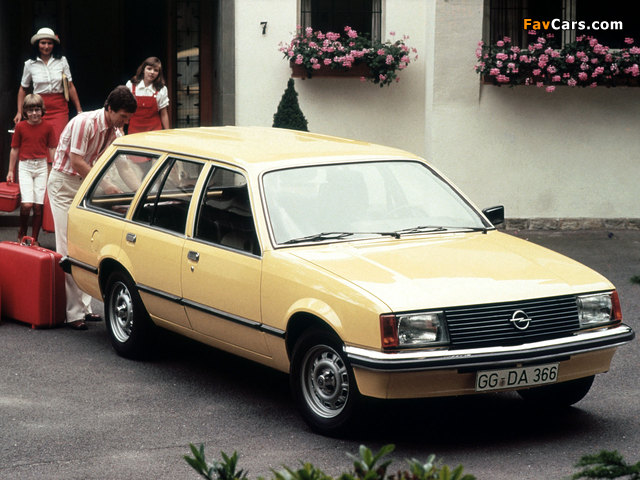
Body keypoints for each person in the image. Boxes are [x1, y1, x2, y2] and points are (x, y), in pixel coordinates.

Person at [47, 85, 137, 330]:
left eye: (128, 118)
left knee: (88, 245)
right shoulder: (84, 123)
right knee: (67, 246)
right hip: (64, 184)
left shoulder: (114, 131)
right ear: (109, 108)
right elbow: (77, 161)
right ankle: (73, 313)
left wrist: (139, 191)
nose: (125, 122)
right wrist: (105, 185)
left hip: (86, 184)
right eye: (122, 116)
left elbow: (123, 166)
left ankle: (85, 308)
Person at [14, 27, 82, 158]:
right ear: (37, 44)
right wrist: (19, 111)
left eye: (49, 43)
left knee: (59, 142)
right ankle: (44, 170)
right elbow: (23, 89)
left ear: (54, 45)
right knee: (41, 141)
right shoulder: (29, 64)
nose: (46, 46)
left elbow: (70, 86)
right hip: (38, 107)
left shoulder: (62, 61)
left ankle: (56, 170)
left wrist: (79, 110)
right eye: (43, 43)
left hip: (59, 107)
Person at [6, 94, 57, 244]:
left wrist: (54, 168)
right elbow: (14, 149)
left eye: (37, 109)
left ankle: (34, 239)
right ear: (25, 112)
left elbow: (52, 148)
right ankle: (22, 234)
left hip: (41, 166)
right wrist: (10, 170)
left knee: (38, 206)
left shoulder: (48, 127)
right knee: (27, 204)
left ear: (42, 110)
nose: (34, 113)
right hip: (25, 166)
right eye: (30, 110)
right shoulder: (20, 127)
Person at [126, 57, 170, 134]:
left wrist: (168, 132)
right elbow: (123, 109)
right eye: (149, 69)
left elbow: (164, 114)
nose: (152, 72)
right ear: (143, 69)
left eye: (156, 70)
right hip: (134, 132)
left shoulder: (162, 89)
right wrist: (120, 129)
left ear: (159, 73)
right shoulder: (131, 85)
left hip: (154, 132)